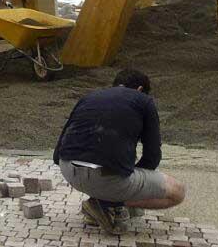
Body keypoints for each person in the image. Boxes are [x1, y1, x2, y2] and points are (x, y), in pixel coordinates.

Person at [53, 68, 185, 234]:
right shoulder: (144, 101)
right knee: (177, 192)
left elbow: (58, 151)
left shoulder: (89, 97)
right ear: (140, 89)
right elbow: (152, 156)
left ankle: (101, 198)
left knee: (113, 170)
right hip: (105, 179)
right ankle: (107, 203)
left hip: (68, 170)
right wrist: (127, 180)